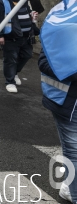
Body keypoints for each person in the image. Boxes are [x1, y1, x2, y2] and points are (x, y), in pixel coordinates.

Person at [39, 51, 77, 203]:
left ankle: (68, 187)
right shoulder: (62, 28)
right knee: (74, 151)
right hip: (68, 103)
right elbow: (44, 62)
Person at [0, 0, 38, 93]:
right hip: (11, 35)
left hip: (26, 35)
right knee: (10, 59)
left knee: (27, 55)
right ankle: (10, 81)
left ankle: (14, 72)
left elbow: (26, 11)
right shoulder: (0, 0)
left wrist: (32, 16)